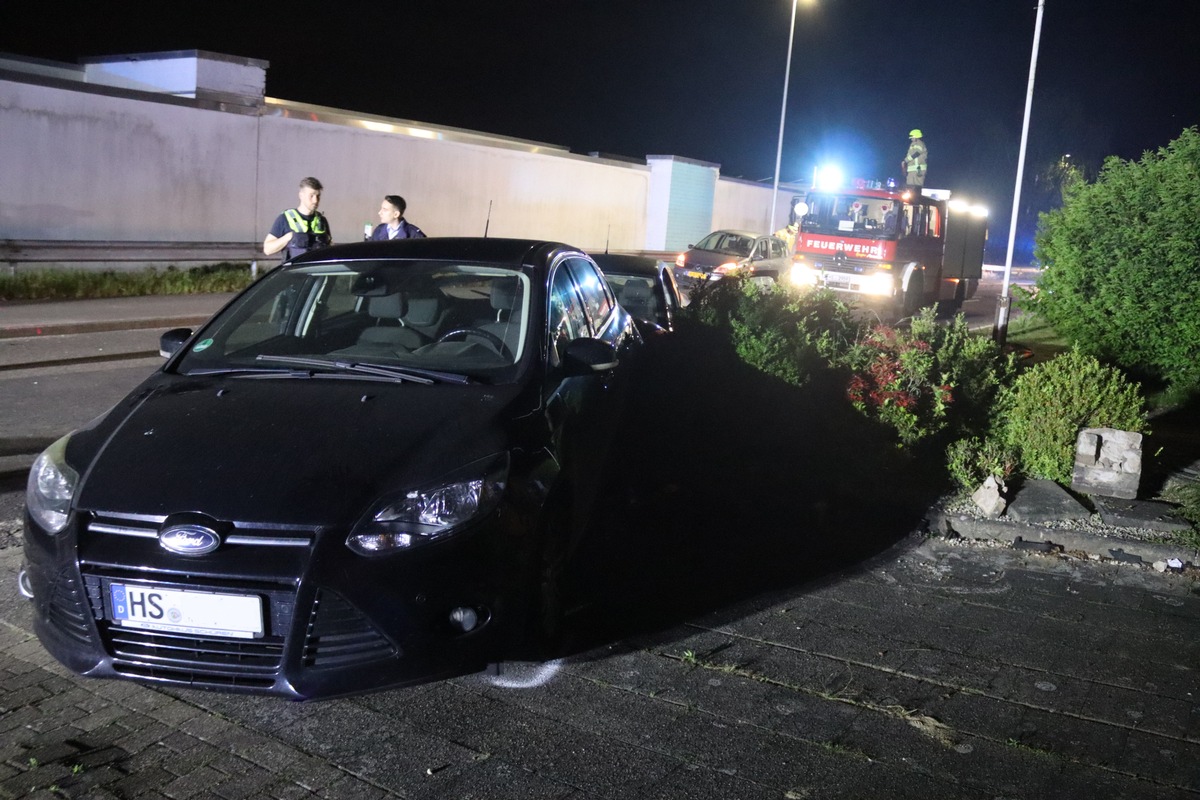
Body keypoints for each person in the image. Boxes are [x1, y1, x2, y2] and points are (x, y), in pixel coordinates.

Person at [263, 177, 332, 260]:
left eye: (318, 196)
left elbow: (330, 247)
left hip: (317, 271)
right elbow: (267, 249)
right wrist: (289, 237)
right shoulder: (285, 219)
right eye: (311, 196)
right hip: (295, 272)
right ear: (301, 195)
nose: (315, 200)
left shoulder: (322, 221)